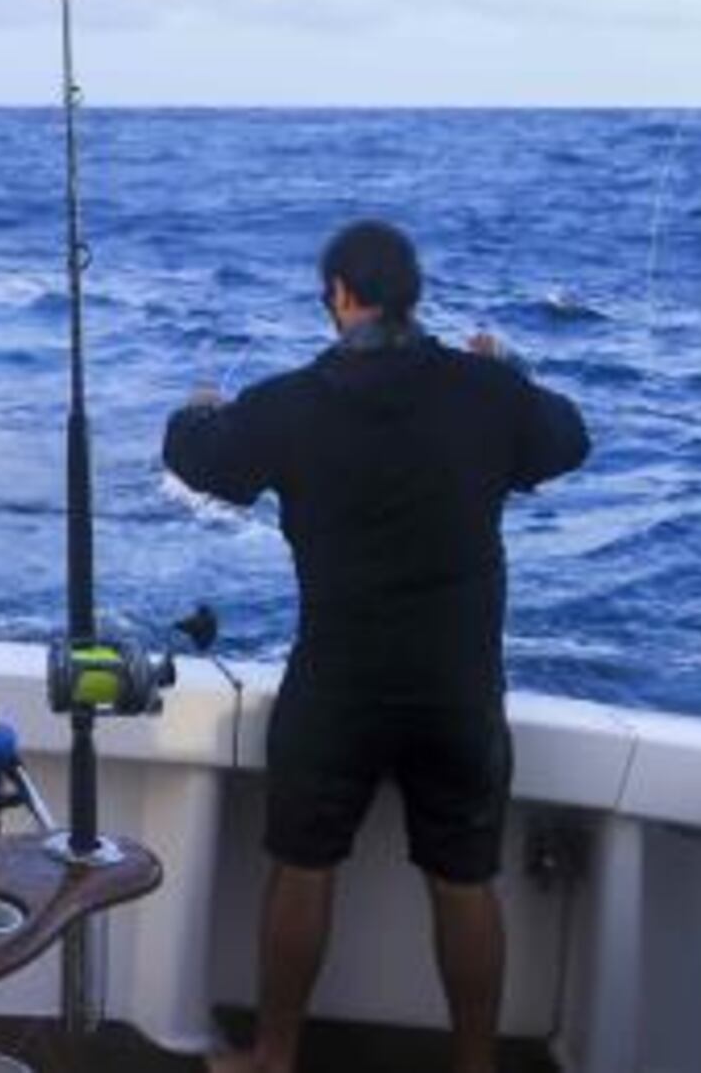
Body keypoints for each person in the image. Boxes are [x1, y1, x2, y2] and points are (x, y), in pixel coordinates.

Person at [165, 220, 589, 1073]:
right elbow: (567, 439)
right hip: (458, 686)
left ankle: (274, 1058)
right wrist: (509, 370)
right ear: (411, 296)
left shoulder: (289, 404)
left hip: (338, 680)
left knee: (301, 865)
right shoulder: (485, 392)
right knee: (465, 880)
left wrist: (198, 408)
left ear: (341, 298)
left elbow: (197, 459)